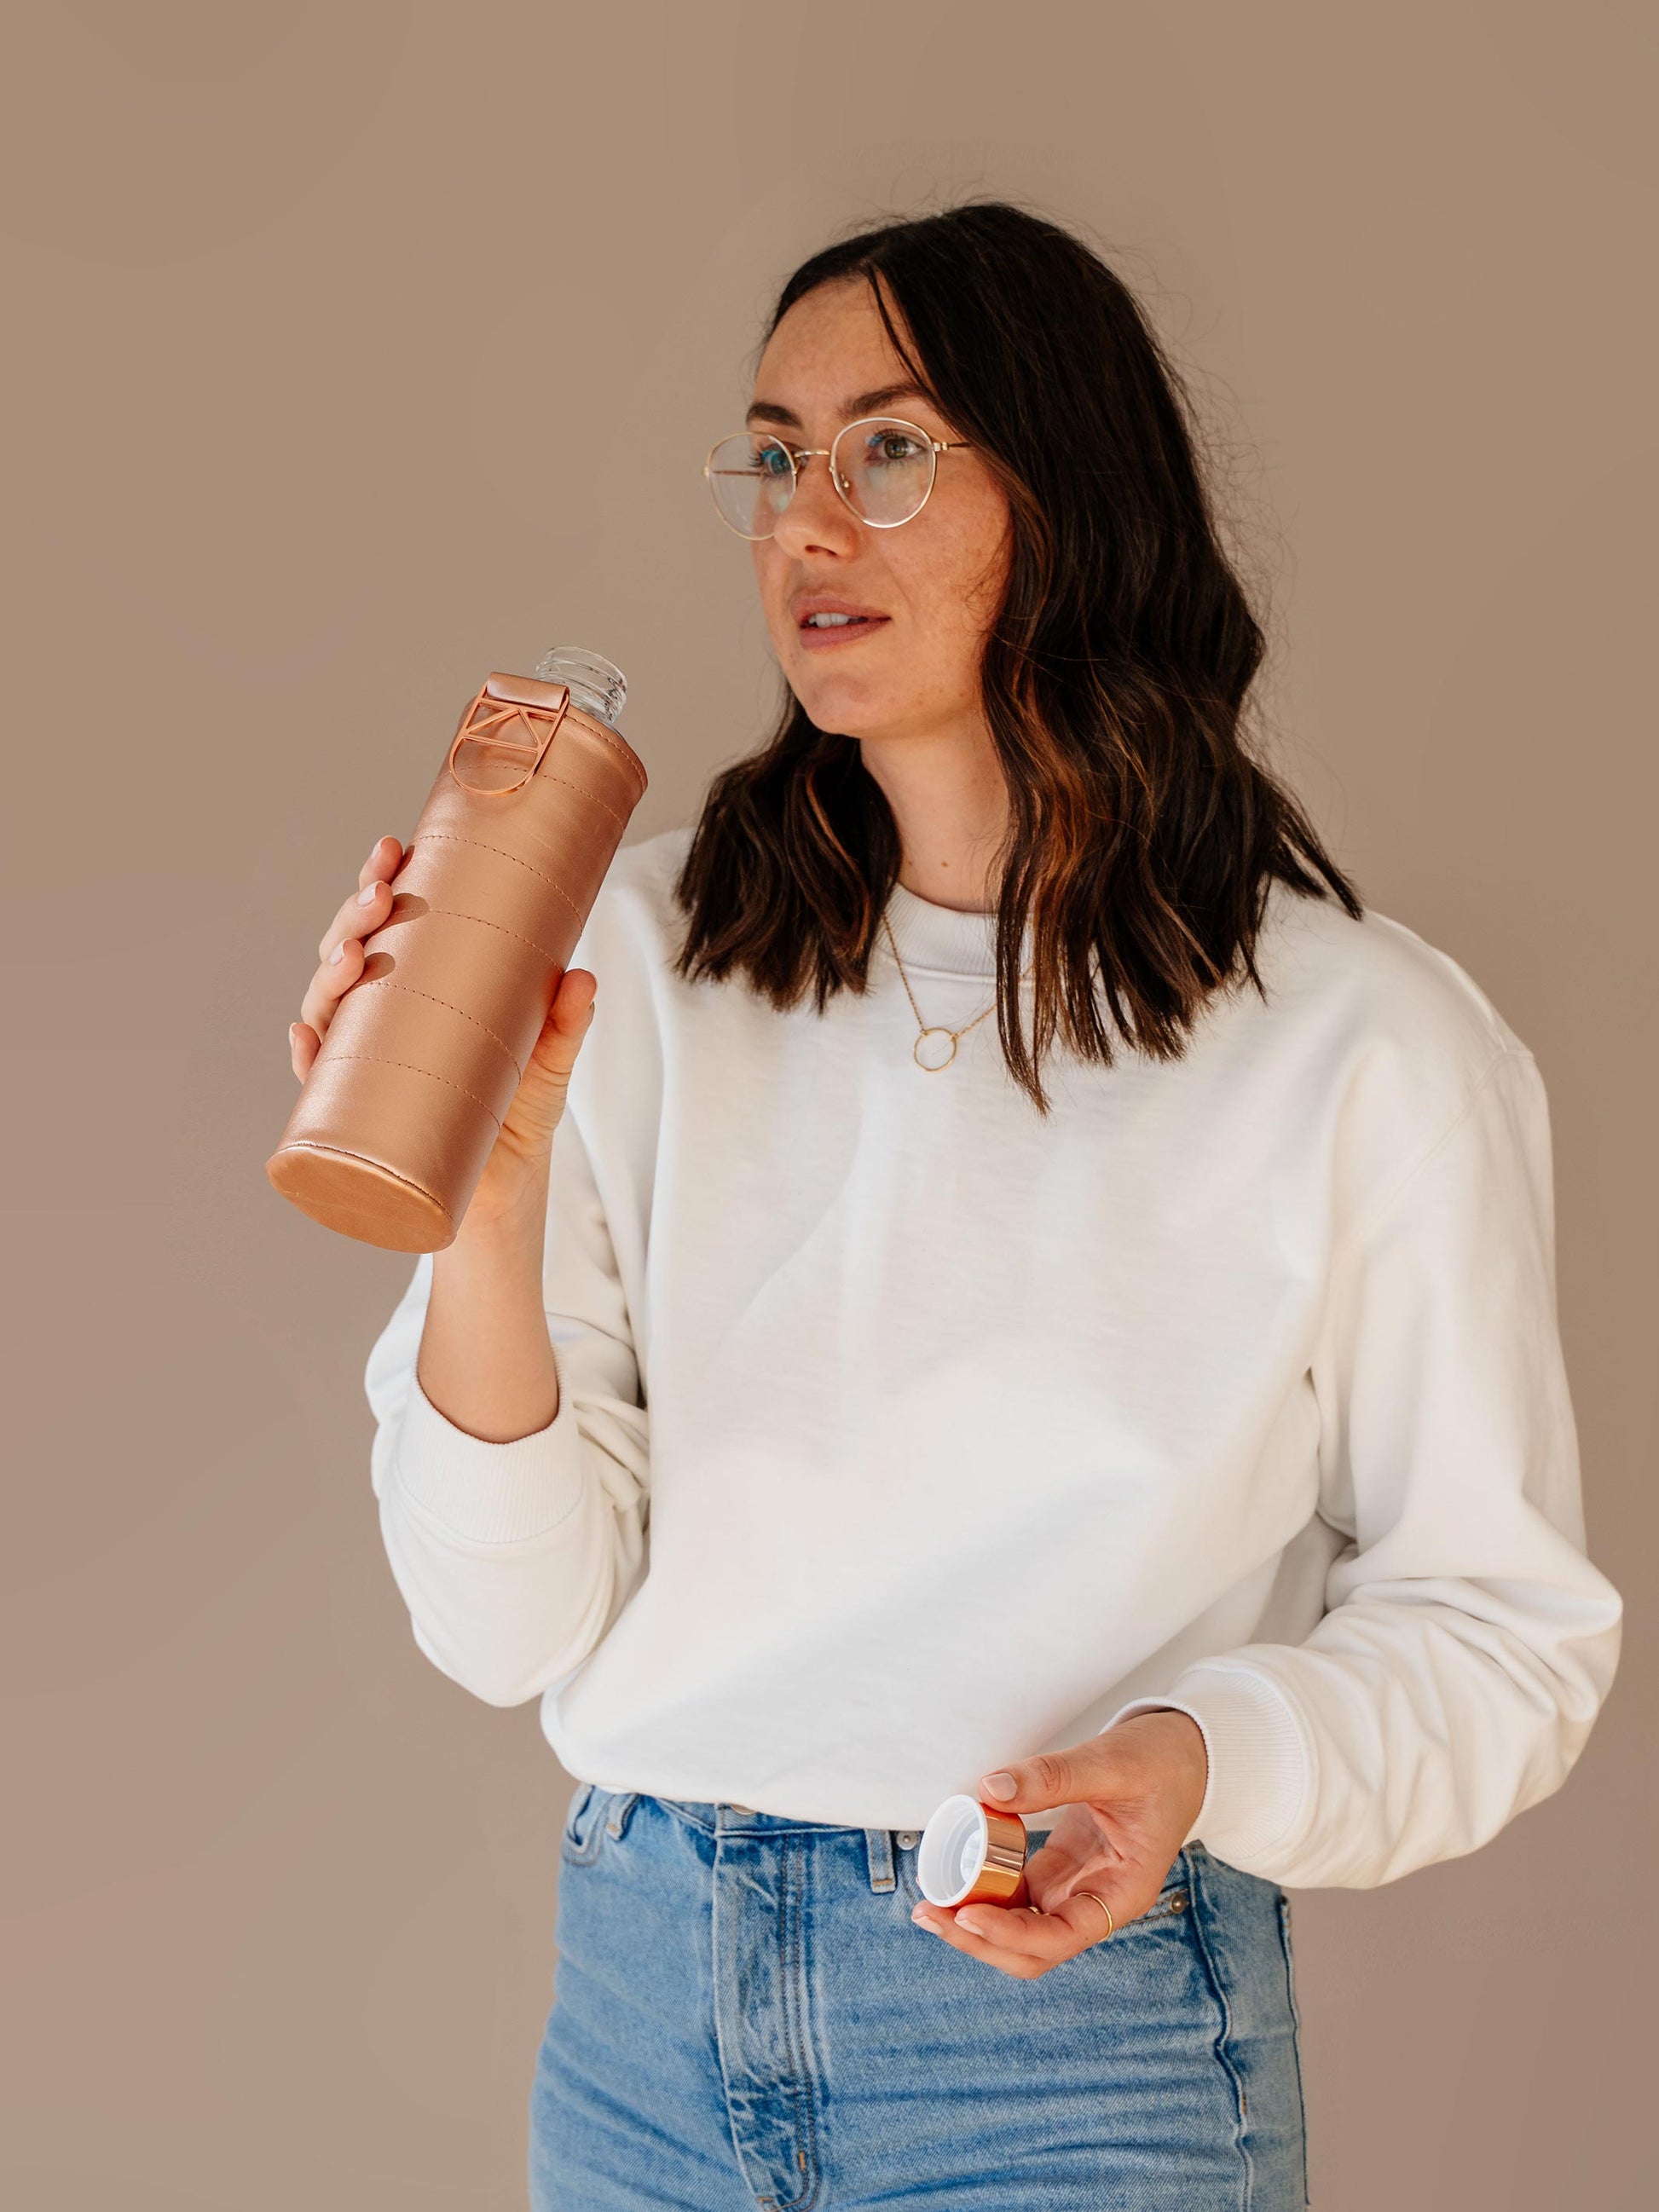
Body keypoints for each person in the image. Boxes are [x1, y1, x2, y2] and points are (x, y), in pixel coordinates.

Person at [288, 204, 1622, 2211]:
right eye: (773, 454)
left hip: (1065, 2042)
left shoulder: (1361, 1044)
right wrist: (480, 1194)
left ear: (1069, 496)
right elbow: (508, 1627)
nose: (808, 519)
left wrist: (1203, 1758)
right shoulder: (624, 958)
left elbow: (1500, 1635)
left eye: (889, 450)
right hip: (647, 2013)